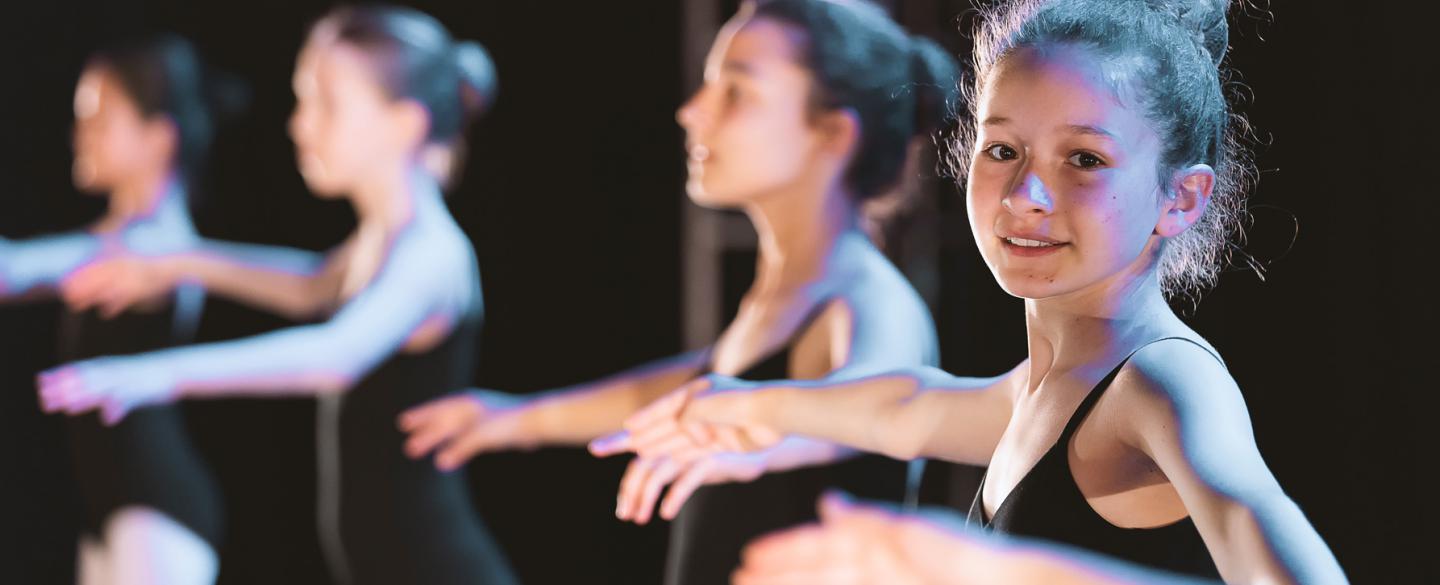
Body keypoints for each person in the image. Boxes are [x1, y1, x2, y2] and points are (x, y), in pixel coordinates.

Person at [606, 0, 1348, 582]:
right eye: (1003, 149)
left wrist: (993, 567)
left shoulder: (1163, 379)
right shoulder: (1044, 388)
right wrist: (744, 408)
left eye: (1084, 158)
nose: (1027, 191)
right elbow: (908, 407)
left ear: (1179, 199)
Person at [399, 1, 960, 582]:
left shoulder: (868, 297)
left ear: (834, 134)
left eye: (735, 92)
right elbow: (691, 387)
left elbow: (883, 400)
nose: (692, 112)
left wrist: (764, 439)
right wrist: (516, 420)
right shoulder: (784, 297)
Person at [40, 6, 515, 584]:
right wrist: (177, 263)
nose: (301, 125)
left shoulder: (431, 253)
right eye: (303, 101)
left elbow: (335, 354)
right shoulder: (377, 243)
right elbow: (311, 284)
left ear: (404, 124)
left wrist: (160, 373)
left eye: (327, 105)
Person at [0, 34, 236, 585]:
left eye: (101, 120)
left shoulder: (157, 247)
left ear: (159, 138)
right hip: (114, 510)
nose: (79, 135)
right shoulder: (116, 239)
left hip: (156, 511)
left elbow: (13, 270)